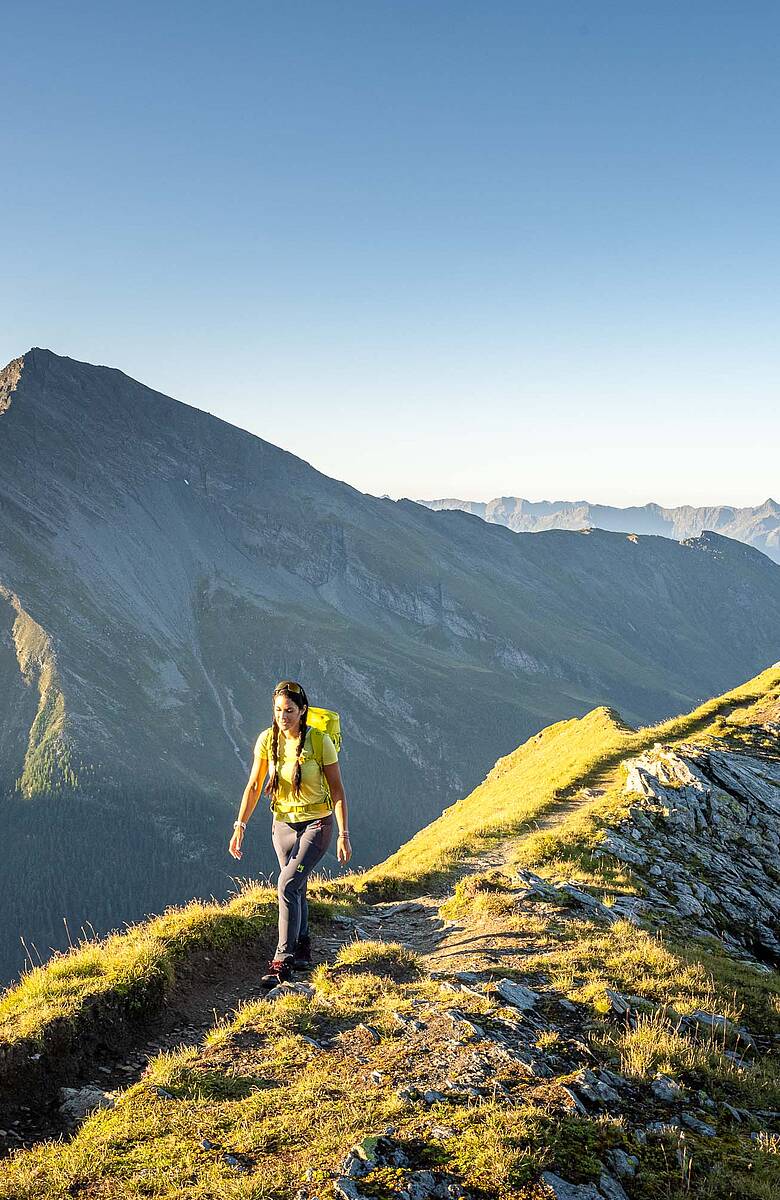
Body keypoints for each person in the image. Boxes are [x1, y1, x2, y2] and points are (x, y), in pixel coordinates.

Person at [229, 680, 352, 988]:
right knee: (296, 886)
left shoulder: (319, 741)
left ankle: (282, 960)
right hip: (282, 824)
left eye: (289, 711)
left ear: (302, 710)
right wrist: (240, 826)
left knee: (286, 884)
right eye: (278, 710)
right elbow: (254, 786)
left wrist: (343, 834)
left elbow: (337, 790)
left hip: (317, 823)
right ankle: (303, 947)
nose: (282, 717)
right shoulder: (266, 740)